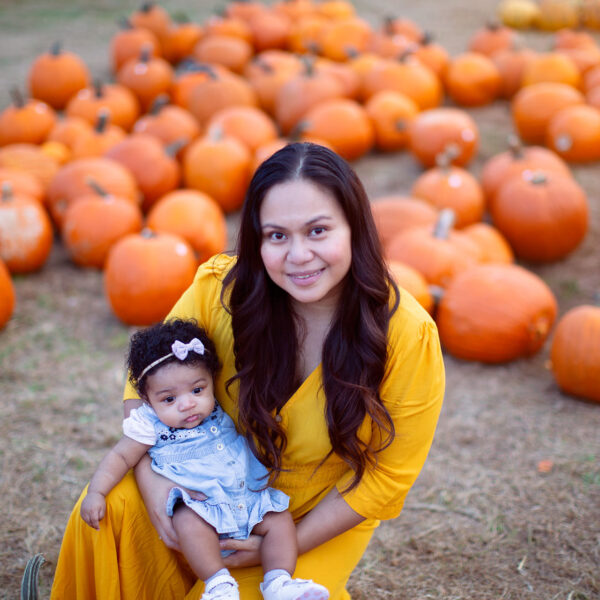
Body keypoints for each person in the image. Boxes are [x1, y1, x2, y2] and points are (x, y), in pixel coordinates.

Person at [51, 142, 445, 600]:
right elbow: (143, 383)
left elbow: (387, 478)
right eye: (277, 235)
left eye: (318, 231)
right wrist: (155, 484)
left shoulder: (406, 336)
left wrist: (279, 547)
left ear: (355, 228)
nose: (298, 255)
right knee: (109, 512)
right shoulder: (221, 292)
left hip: (312, 514)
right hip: (200, 488)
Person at [79, 318, 329, 600]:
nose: (187, 404)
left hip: (246, 497)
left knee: (279, 521)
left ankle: (279, 582)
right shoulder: (149, 425)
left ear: (210, 381)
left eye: (197, 390)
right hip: (200, 505)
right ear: (147, 400)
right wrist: (97, 492)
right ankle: (219, 584)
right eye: (169, 399)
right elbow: (120, 457)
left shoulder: (220, 402)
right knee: (187, 522)